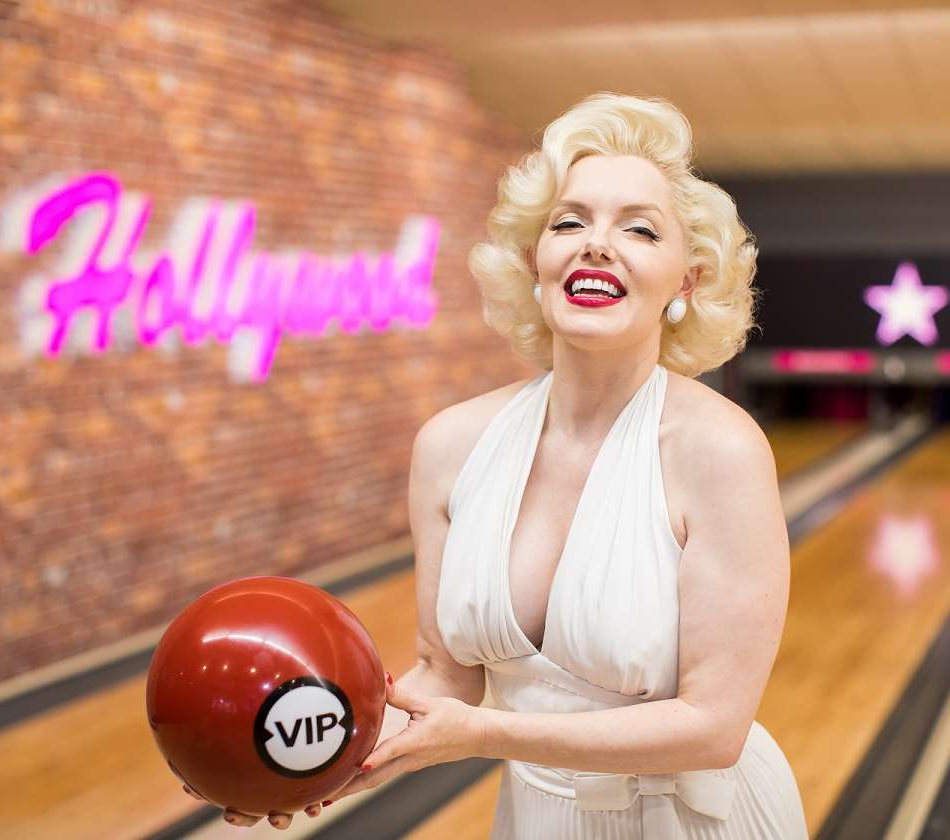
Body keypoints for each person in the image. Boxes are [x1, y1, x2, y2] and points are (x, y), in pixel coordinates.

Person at [198, 92, 808, 837]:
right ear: (534, 259)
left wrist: (486, 733)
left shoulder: (721, 449)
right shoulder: (452, 446)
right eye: (569, 222)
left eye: (640, 229)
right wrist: (302, 768)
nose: (596, 243)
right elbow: (444, 682)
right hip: (537, 818)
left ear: (686, 280)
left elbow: (714, 728)